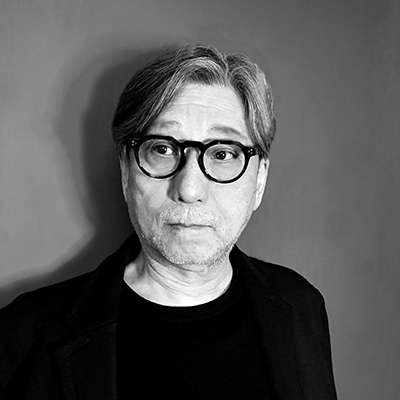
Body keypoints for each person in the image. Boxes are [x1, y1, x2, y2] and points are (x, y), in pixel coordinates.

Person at [0, 44, 337, 399]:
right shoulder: (19, 339)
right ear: (126, 171)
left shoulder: (301, 306)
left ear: (260, 180)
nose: (189, 189)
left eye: (223, 153)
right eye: (162, 148)